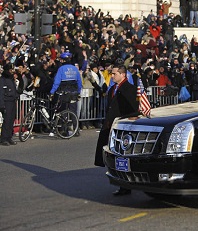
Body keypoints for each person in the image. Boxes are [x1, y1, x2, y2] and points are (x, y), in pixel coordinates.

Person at [94, 65, 139, 195]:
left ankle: (126, 185)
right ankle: (121, 182)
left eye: (114, 74)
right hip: (111, 125)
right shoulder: (113, 88)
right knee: (111, 154)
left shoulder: (129, 89)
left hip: (123, 127)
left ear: (123, 74)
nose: (112, 76)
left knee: (122, 157)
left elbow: (133, 108)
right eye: (112, 74)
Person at [50, 52, 83, 136]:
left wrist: (52, 92)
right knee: (73, 111)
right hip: (73, 93)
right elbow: (79, 82)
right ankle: (76, 130)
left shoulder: (61, 69)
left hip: (64, 93)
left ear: (63, 60)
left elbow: (56, 82)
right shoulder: (75, 69)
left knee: (63, 111)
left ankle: (64, 130)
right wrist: (78, 92)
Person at [0, 64, 18, 146]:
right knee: (7, 120)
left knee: (11, 120)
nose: (12, 71)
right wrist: (2, 105)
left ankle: (9, 137)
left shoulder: (11, 79)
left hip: (12, 101)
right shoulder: (2, 80)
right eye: (11, 70)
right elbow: (1, 93)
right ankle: (4, 138)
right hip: (6, 102)